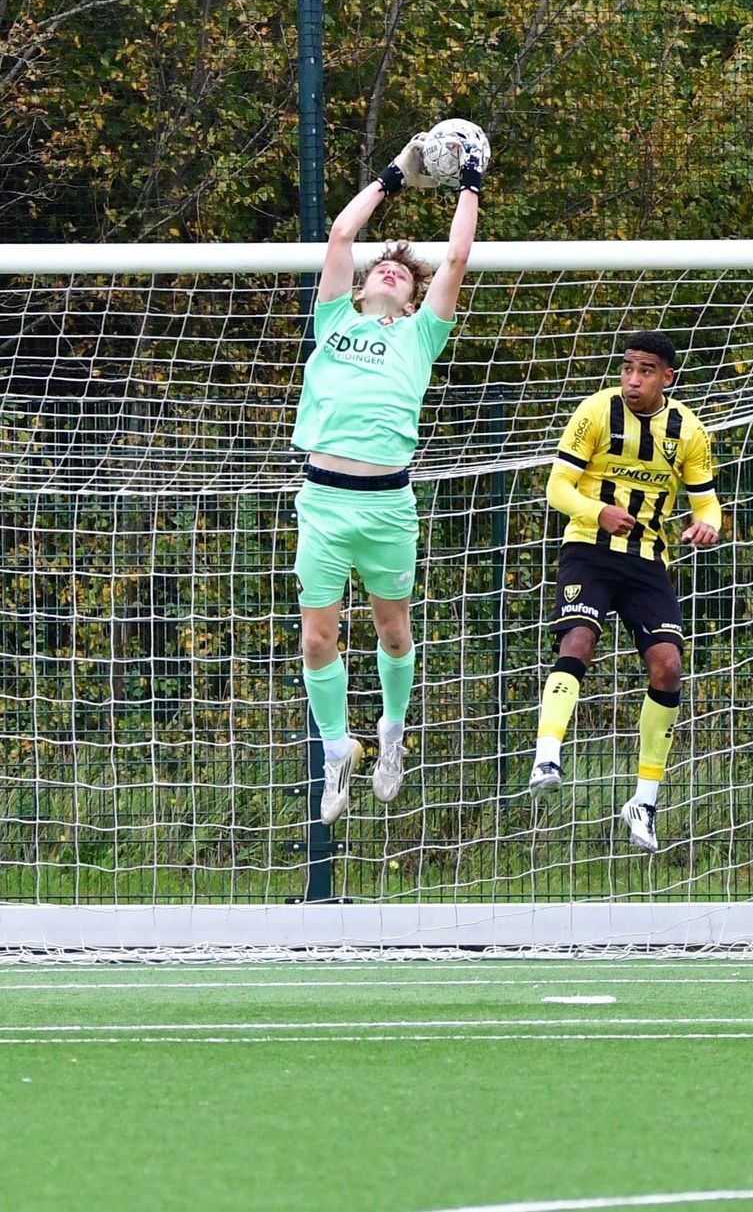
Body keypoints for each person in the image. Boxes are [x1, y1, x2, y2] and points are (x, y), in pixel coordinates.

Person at [293, 127, 481, 825]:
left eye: (403, 276)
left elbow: (455, 256)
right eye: (383, 270)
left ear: (410, 302)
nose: (391, 273)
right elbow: (342, 234)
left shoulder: (419, 335)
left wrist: (470, 183)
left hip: (387, 507)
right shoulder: (333, 320)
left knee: (394, 633)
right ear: (364, 285)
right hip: (323, 501)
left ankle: (393, 734)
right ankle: (337, 748)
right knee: (317, 639)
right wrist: (393, 176)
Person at [527, 330, 723, 854]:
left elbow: (706, 501)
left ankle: (644, 801)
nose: (633, 380)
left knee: (668, 666)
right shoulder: (595, 411)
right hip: (588, 548)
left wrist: (708, 524)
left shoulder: (688, 430)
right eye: (628, 368)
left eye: (646, 371)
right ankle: (547, 754)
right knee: (579, 639)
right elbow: (557, 487)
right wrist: (598, 512)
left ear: (667, 377)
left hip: (648, 560)